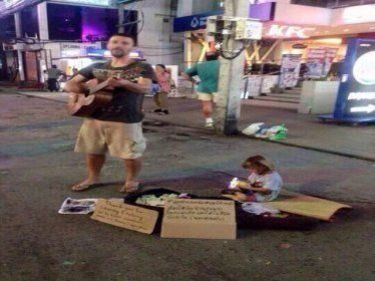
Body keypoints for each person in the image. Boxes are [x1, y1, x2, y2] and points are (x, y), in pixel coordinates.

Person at [64, 33, 155, 193]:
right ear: (108, 45)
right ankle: (93, 178)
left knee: (130, 154)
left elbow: (144, 88)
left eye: (124, 43)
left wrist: (125, 83)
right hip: (93, 115)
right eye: (115, 42)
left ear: (131, 47)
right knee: (93, 151)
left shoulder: (141, 67)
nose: (119, 45)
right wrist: (85, 89)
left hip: (125, 118)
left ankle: (131, 180)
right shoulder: (96, 67)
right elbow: (70, 84)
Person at [184, 52, 220, 128]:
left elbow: (185, 75)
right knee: (221, 106)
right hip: (219, 88)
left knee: (206, 105)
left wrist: (195, 81)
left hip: (203, 87)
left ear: (206, 58)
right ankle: (222, 122)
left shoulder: (199, 65)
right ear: (218, 57)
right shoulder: (222, 64)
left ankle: (208, 122)